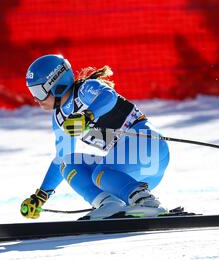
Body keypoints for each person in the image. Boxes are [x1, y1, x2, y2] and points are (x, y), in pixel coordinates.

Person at [20, 54, 170, 220]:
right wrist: (41, 196)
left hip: (149, 148)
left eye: (38, 91)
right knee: (68, 164)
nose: (35, 98)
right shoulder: (59, 118)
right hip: (128, 174)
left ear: (56, 85)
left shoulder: (85, 90)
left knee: (102, 172)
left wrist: (88, 115)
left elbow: (109, 97)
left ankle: (147, 203)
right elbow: (61, 156)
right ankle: (109, 204)